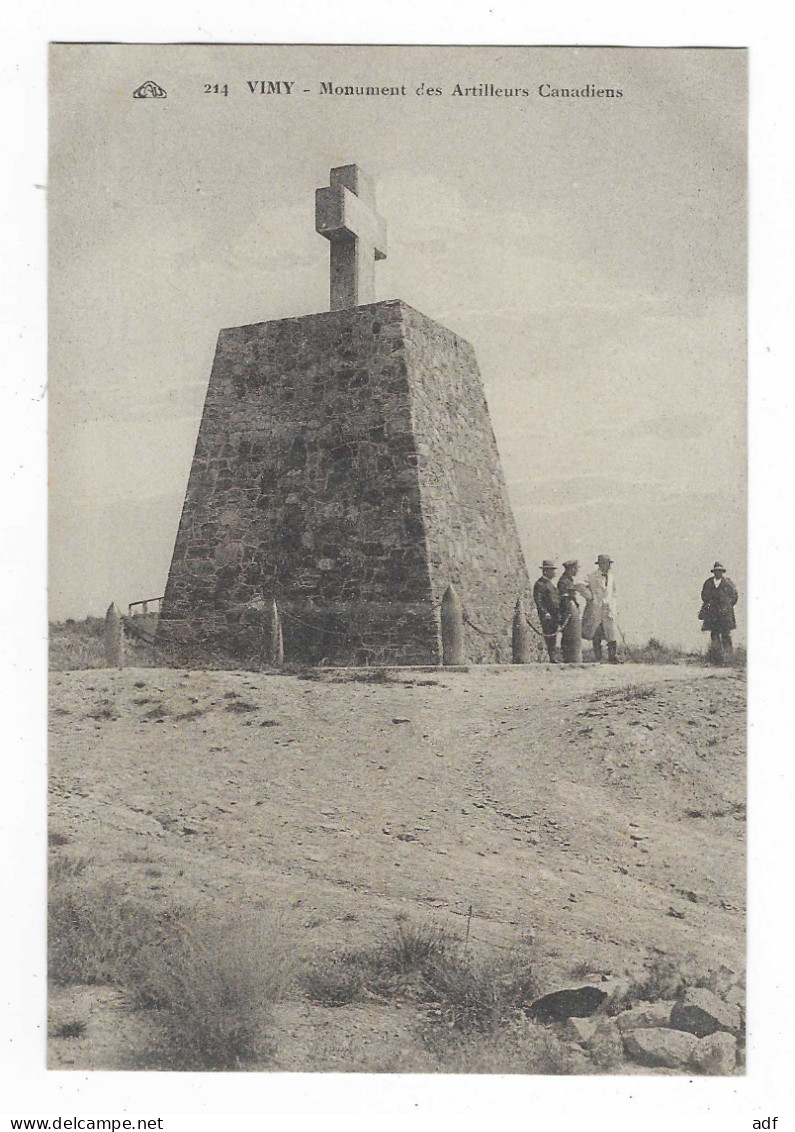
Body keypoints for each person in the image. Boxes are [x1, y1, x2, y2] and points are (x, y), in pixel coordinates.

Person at [699, 561, 738, 663]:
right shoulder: (708, 583)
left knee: (726, 634)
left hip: (725, 614)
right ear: (714, 572)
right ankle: (716, 656)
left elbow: (734, 597)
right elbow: (704, 596)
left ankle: (729, 657)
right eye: (716, 571)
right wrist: (710, 603)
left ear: (722, 572)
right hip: (712, 614)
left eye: (720, 571)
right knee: (714, 634)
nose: (718, 573)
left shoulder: (728, 583)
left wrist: (727, 606)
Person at [585, 554, 621, 664]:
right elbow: (580, 585)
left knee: (611, 633)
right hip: (596, 609)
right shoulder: (591, 576)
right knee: (597, 633)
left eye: (610, 564)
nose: (609, 566)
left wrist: (613, 606)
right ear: (601, 564)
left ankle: (613, 657)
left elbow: (614, 593)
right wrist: (591, 597)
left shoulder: (611, 577)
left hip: (608, 609)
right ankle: (598, 657)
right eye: (607, 563)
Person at [558, 560, 586, 663]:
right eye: (576, 568)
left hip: (571, 613)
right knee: (569, 636)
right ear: (571, 569)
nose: (577, 570)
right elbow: (565, 600)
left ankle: (572, 658)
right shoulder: (564, 581)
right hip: (568, 614)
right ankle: (569, 658)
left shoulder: (568, 580)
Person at [533, 560, 561, 663]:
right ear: (546, 571)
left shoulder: (549, 584)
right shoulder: (540, 584)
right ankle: (551, 657)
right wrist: (545, 612)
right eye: (552, 570)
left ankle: (553, 657)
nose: (554, 572)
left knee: (553, 636)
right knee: (549, 635)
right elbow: (538, 600)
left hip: (554, 615)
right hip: (547, 616)